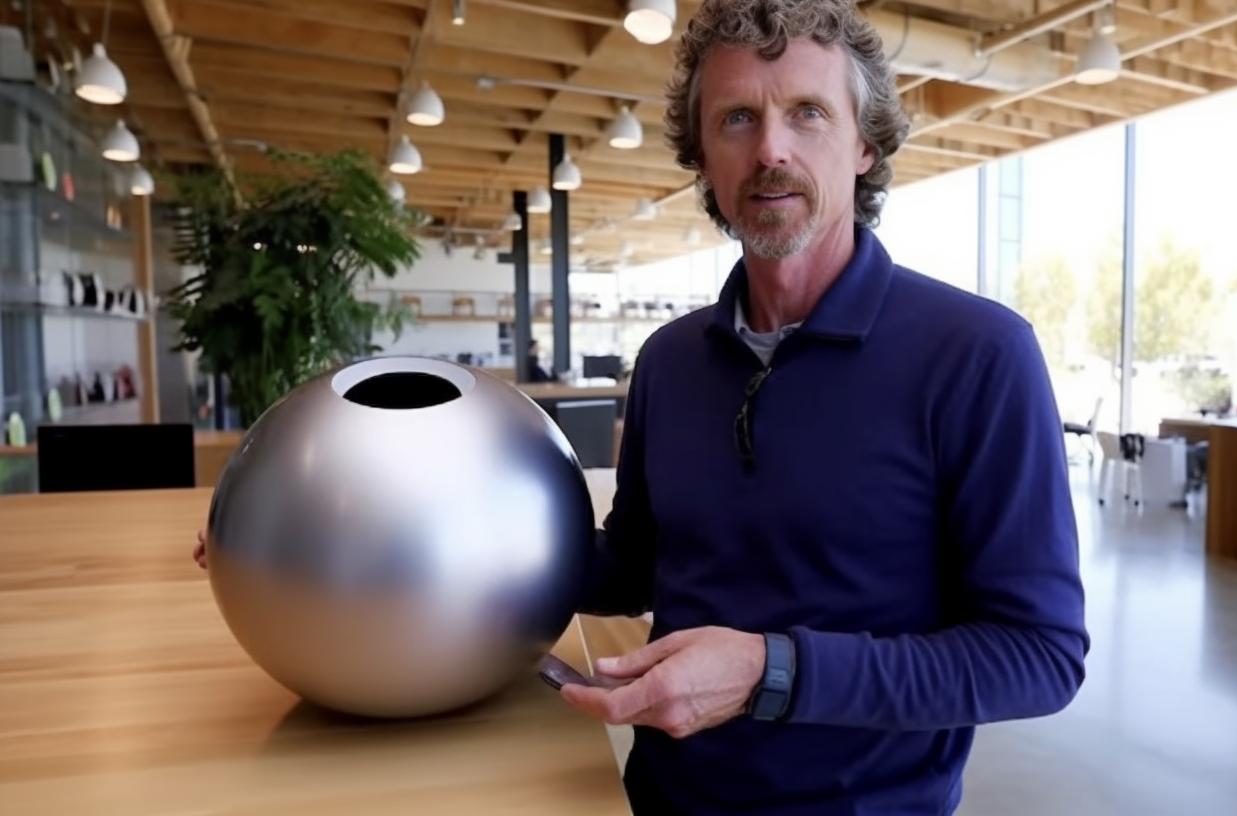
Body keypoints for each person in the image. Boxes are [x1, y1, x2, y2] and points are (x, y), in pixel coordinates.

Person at [195, 2, 1087, 811]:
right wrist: (327, 541)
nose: (771, 147)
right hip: (657, 792)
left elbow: (1039, 656)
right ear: (703, 155)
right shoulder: (670, 361)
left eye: (808, 112)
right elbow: (626, 569)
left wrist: (768, 671)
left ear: (864, 145)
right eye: (737, 118)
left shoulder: (977, 354)